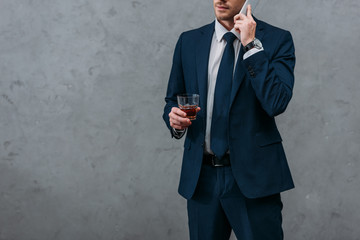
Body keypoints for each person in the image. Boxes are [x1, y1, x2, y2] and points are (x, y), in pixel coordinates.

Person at [163, 0, 295, 239]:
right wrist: (175, 119)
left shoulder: (277, 39)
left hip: (254, 178)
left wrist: (252, 46)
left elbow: (276, 102)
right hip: (201, 179)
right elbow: (173, 100)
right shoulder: (189, 41)